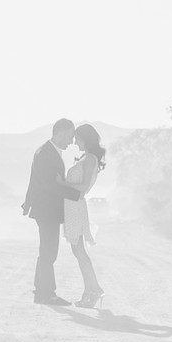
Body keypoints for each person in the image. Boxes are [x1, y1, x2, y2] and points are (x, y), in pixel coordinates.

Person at [22, 119, 82, 305]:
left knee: (46, 251)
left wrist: (27, 203)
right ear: (61, 133)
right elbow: (50, 185)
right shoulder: (46, 153)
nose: (72, 142)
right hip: (47, 210)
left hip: (44, 209)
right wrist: (76, 194)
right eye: (70, 136)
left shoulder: (46, 151)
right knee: (49, 252)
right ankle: (47, 294)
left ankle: (40, 289)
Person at [62, 123, 106, 308]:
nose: (74, 141)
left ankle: (94, 290)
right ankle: (92, 290)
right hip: (71, 207)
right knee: (77, 251)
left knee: (79, 251)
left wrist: (61, 183)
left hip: (76, 207)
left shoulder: (89, 160)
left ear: (85, 139)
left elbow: (82, 188)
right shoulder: (86, 158)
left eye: (77, 138)